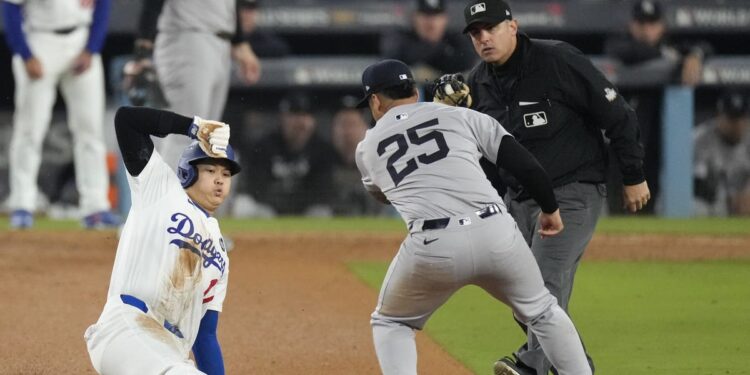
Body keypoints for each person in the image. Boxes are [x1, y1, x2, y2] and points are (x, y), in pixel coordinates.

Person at [434, 1, 651, 373]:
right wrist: (441, 110)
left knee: (542, 282)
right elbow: (471, 151)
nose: (484, 38)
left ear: (513, 26)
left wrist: (633, 175)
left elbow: (616, 113)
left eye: (491, 28)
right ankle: (577, 367)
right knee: (519, 292)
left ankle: (530, 365)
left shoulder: (558, 61)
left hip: (573, 190)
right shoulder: (475, 84)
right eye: (475, 33)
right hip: (517, 199)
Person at [355, 59, 592, 375]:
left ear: (374, 100)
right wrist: (550, 209)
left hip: (433, 244)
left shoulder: (367, 147)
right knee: (543, 311)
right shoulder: (461, 116)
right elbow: (526, 166)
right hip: (495, 231)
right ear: (413, 90)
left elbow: (383, 193)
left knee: (391, 321)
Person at [84, 106, 241, 374]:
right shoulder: (160, 187)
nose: (219, 180)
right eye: (210, 170)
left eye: (225, 175)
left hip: (169, 352)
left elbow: (206, 337)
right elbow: (127, 120)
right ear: (187, 172)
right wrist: (192, 127)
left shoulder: (220, 253)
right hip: (125, 329)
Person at [3, 0, 117, 229]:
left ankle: (95, 207)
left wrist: (91, 48)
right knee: (29, 130)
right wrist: (25, 54)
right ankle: (23, 204)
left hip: (81, 40)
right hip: (39, 42)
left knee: (90, 131)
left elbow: (104, 4)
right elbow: (9, 7)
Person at [604, 0, 711, 213]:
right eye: (641, 23)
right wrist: (670, 57)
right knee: (619, 208)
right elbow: (623, 51)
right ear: (632, 25)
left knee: (647, 207)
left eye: (652, 24)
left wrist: (695, 55)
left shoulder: (673, 46)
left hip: (653, 144)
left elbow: (705, 47)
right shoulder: (621, 44)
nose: (646, 30)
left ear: (662, 25)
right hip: (618, 145)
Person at [132, 0, 262, 168]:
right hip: (187, 37)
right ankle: (170, 194)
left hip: (220, 40)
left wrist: (239, 41)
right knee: (184, 136)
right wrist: (143, 44)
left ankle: (185, 194)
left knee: (205, 141)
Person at [245, 92, 338, 216]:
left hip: (307, 213)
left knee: (320, 212)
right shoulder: (265, 147)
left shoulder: (322, 149)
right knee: (246, 205)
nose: (300, 122)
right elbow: (256, 190)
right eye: (294, 115)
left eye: (305, 116)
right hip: (270, 212)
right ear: (282, 119)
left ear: (313, 121)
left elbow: (323, 193)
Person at [380, 0, 476, 78]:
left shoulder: (455, 38)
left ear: (445, 19)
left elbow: (467, 60)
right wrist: (444, 52)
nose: (431, 24)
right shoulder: (401, 37)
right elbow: (391, 60)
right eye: (426, 16)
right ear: (415, 18)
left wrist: (432, 67)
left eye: (436, 16)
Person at [694, 90, 750, 216]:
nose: (736, 124)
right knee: (698, 208)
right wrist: (728, 198)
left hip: (743, 196)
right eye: (731, 118)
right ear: (719, 116)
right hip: (710, 199)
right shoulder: (701, 138)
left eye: (741, 118)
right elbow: (696, 184)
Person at [330, 95, 384, 216]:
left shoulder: (379, 159)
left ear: (366, 129)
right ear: (333, 130)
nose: (347, 132)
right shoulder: (323, 160)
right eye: (342, 125)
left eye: (353, 125)